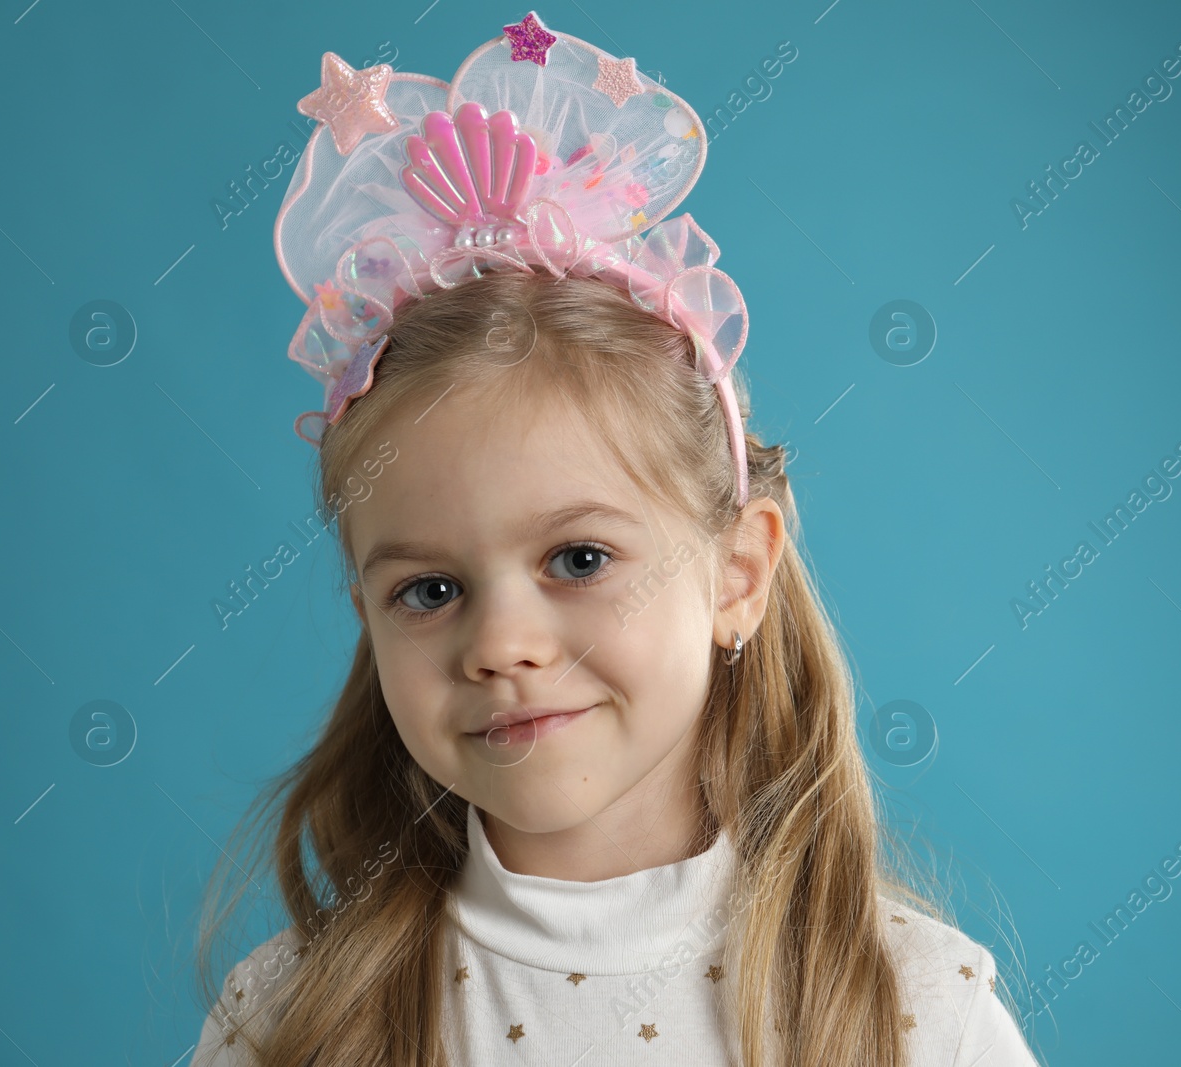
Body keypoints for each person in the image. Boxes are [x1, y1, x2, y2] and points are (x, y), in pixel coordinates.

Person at [191, 12, 1043, 1066]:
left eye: (579, 559)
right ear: (367, 613)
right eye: (429, 588)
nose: (502, 642)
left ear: (737, 573)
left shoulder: (910, 1010)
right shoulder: (294, 1016)